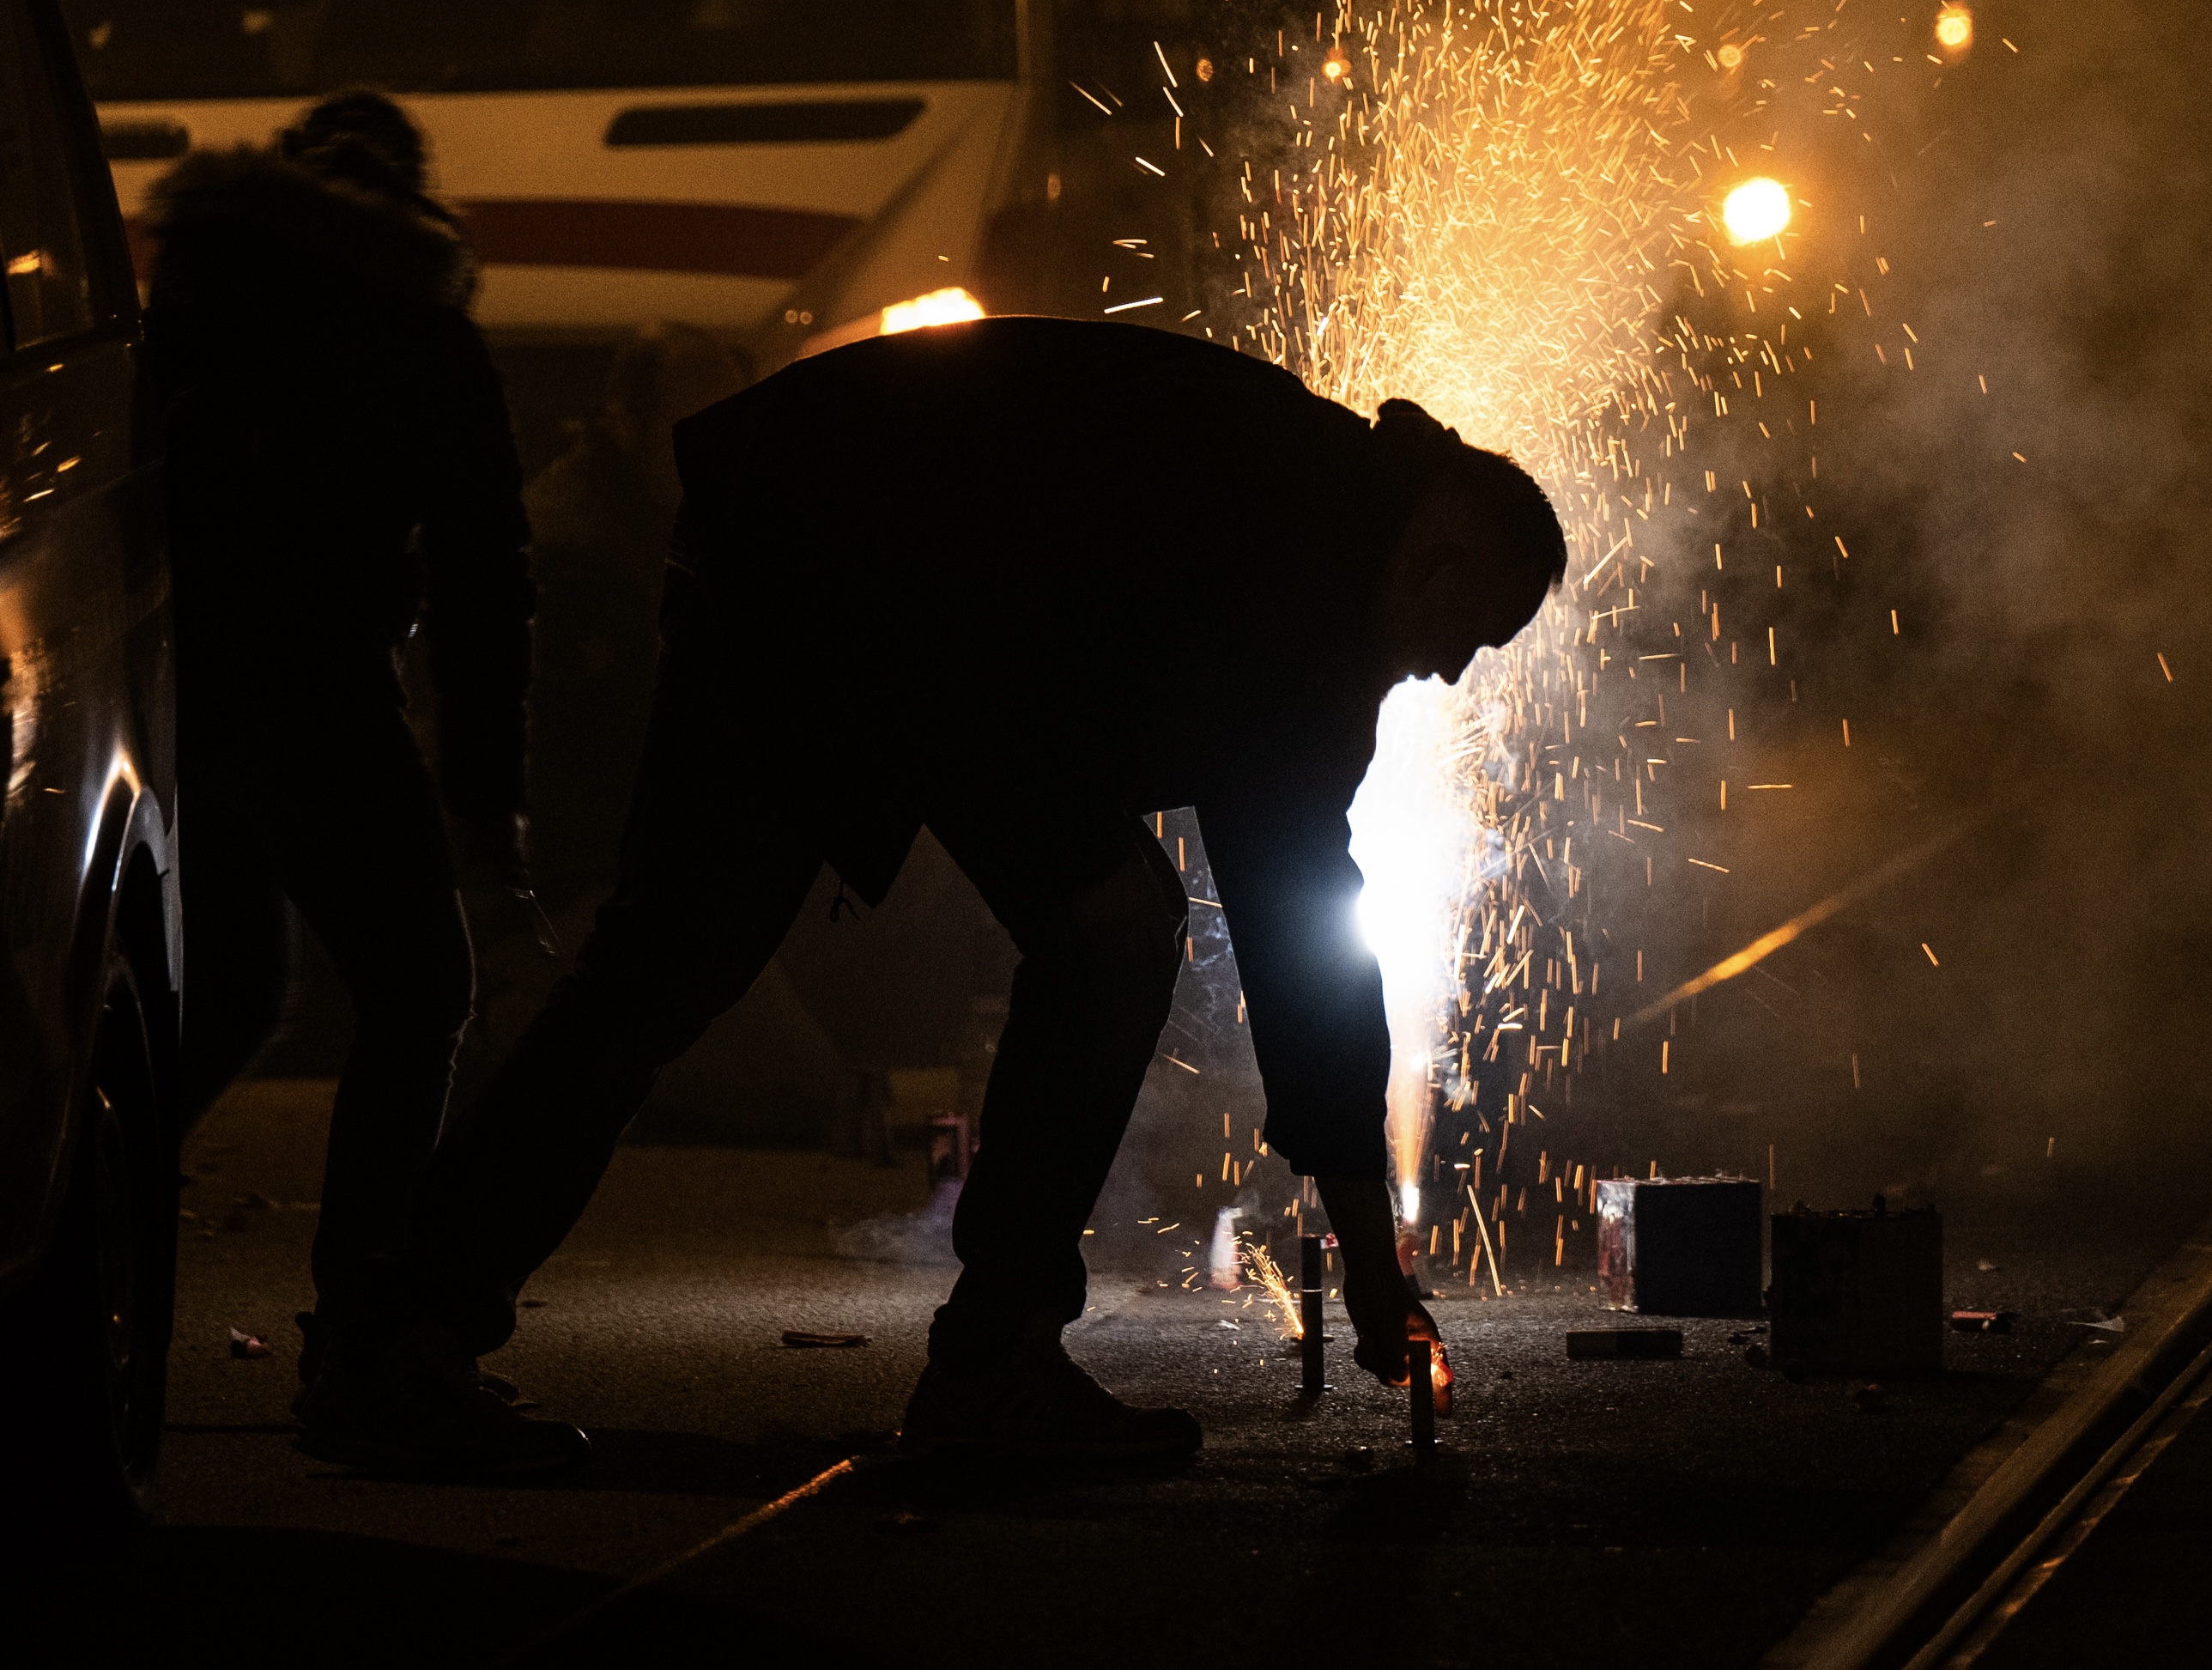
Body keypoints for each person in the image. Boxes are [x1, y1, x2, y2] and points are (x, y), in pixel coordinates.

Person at [297, 319, 1563, 1473]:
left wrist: (1366, 1251)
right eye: (1471, 636)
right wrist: (1375, 1269)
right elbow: (1297, 932)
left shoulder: (1321, 514)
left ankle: (404, 1331)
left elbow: (1277, 904)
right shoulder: (1301, 569)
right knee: (1099, 930)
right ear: (1441, 559)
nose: (1447, 674)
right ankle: (991, 1360)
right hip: (845, 579)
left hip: (839, 558)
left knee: (676, 960)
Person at [142, 91, 535, 1375]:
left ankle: (59, 1225)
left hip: (170, 686)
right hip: (316, 687)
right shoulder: (417, 322)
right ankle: (367, 1323)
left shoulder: (188, 306)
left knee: (228, 991)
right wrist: (486, 796)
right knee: (421, 989)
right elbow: (487, 576)